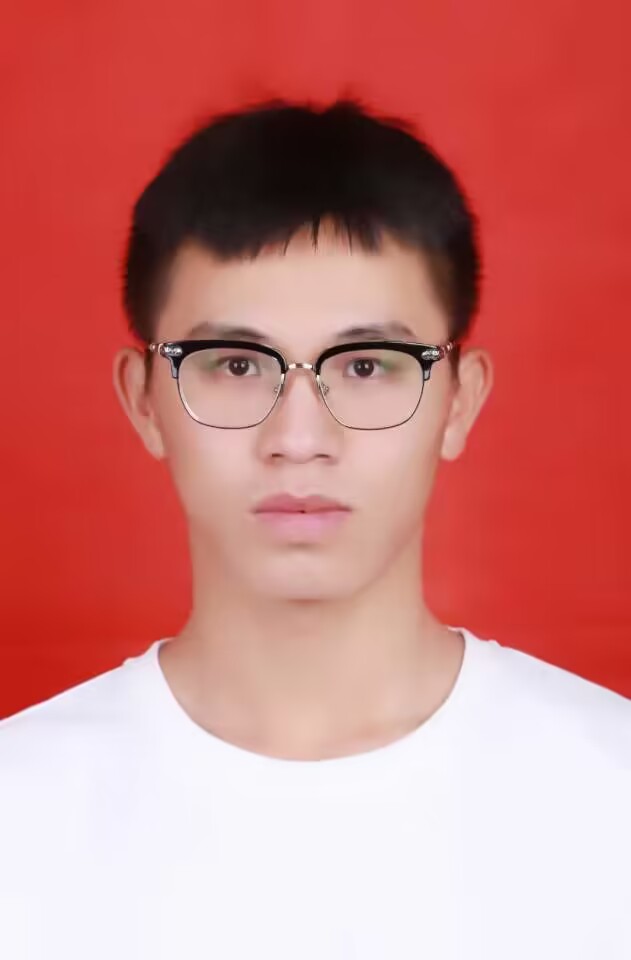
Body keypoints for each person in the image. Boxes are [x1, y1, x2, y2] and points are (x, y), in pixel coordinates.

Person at [0, 98, 629, 960]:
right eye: (235, 364)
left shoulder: (609, 795)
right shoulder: (20, 813)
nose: (299, 438)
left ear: (459, 401)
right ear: (144, 400)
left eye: (366, 365)